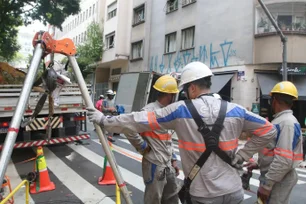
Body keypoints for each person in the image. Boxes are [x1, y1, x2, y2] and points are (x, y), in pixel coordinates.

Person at [87, 61, 276, 204]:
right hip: (234, 193)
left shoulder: (180, 111)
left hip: (204, 194)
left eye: (185, 90)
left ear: (192, 88)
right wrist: (243, 154)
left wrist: (105, 121)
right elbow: (269, 130)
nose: (184, 94)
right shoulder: (236, 110)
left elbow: (138, 120)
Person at [244, 81, 303, 204]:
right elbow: (273, 151)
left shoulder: (286, 123)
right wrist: (259, 164)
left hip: (279, 180)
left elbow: (283, 159)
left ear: (274, 100)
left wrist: (267, 185)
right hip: (276, 177)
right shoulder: (281, 121)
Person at [125, 75, 180, 204]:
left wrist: (173, 159)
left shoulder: (168, 111)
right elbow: (129, 129)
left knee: (172, 198)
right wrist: (143, 147)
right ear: (169, 95)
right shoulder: (149, 111)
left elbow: (167, 139)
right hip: (154, 164)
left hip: (167, 164)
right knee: (153, 199)